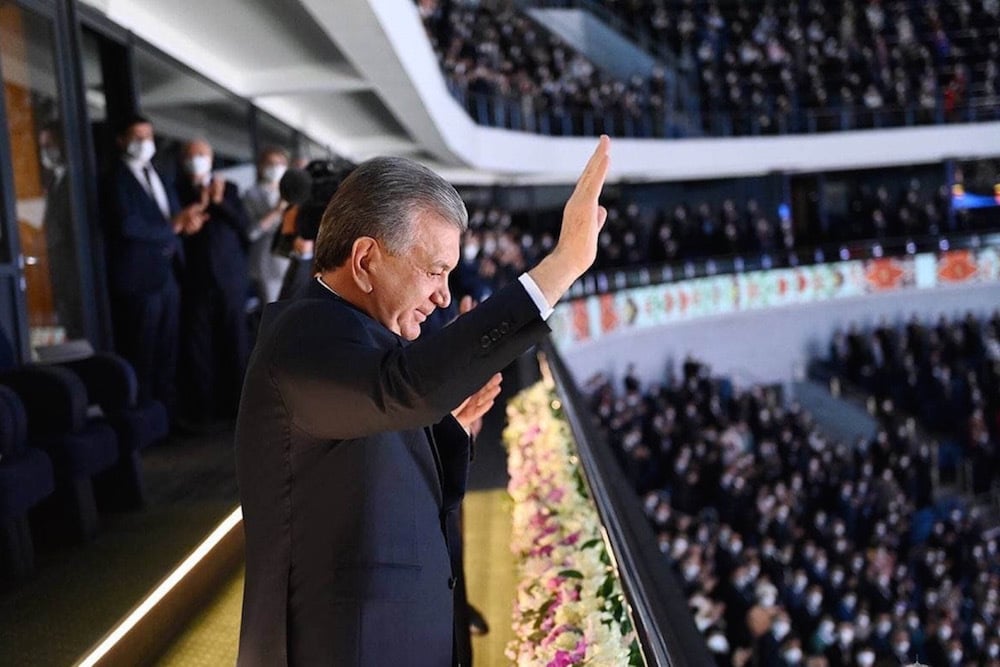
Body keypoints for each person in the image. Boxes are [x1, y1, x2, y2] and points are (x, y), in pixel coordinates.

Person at [235, 135, 611, 666]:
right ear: (365, 259)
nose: (441, 295)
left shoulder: (361, 339)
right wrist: (562, 266)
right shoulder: (303, 336)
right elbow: (402, 391)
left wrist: (446, 426)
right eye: (435, 271)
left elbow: (372, 448)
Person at [101, 114, 207, 420]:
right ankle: (146, 421)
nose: (144, 143)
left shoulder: (158, 173)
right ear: (121, 140)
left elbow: (172, 219)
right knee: (142, 353)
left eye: (148, 136)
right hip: (139, 280)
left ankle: (167, 419)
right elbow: (127, 225)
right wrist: (173, 227)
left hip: (168, 276)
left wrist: (187, 222)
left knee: (168, 352)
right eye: (137, 136)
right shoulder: (115, 179)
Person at [175, 139, 252, 426]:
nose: (196, 160)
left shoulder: (228, 189)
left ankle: (239, 408)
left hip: (229, 277)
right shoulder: (177, 190)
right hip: (195, 279)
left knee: (235, 341)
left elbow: (244, 227)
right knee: (199, 347)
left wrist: (218, 202)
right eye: (191, 155)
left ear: (211, 159)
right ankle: (203, 412)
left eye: (202, 155)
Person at [242, 147, 291, 304]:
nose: (276, 167)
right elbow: (251, 232)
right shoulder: (252, 194)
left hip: (292, 258)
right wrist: (276, 211)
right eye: (270, 163)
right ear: (261, 167)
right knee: (274, 309)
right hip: (268, 263)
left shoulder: (291, 191)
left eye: (280, 163)